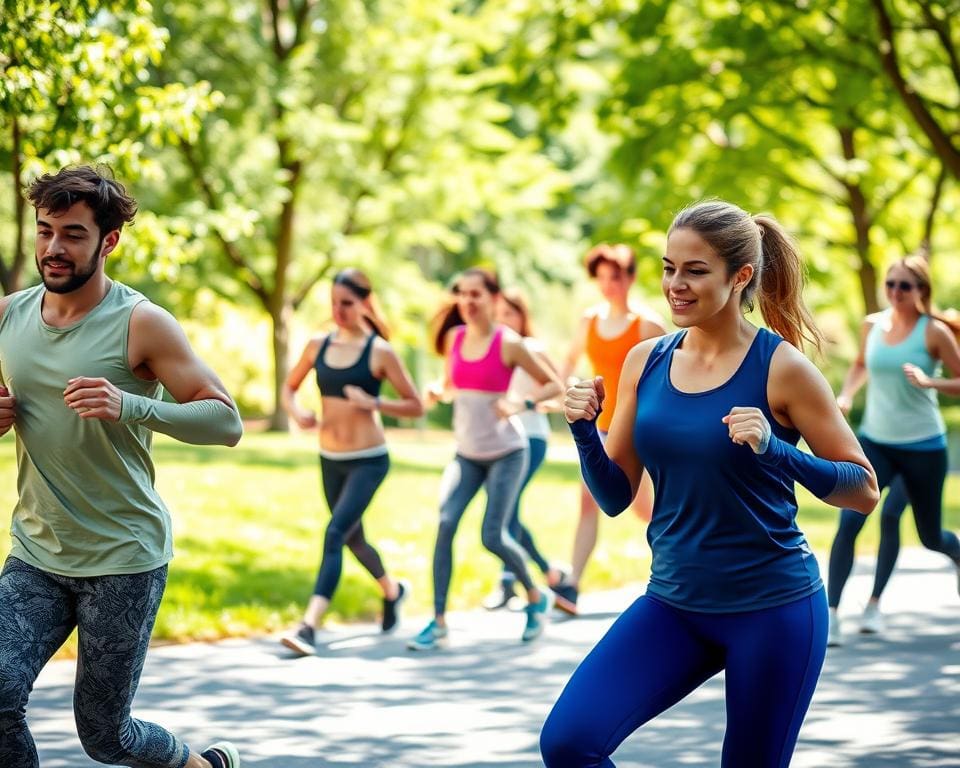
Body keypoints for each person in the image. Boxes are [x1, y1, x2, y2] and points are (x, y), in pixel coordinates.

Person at [539, 200, 879, 768]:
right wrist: (582, 432)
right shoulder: (645, 360)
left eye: (695, 271)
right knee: (570, 742)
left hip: (773, 611)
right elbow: (616, 497)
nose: (675, 284)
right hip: (674, 605)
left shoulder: (783, 367)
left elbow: (863, 490)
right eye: (669, 267)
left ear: (740, 276)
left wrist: (777, 452)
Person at [0, 166, 244, 768]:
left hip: (123, 558)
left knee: (106, 737)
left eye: (74, 234)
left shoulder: (142, 323)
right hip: (37, 549)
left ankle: (202, 765)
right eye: (45, 230)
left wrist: (130, 404)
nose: (54, 248)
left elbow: (227, 422)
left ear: (108, 242)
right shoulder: (8, 315)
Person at [407, 268, 562, 650]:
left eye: (477, 294)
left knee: (493, 535)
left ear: (493, 298)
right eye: (463, 294)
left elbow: (554, 385)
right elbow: (451, 385)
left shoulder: (508, 343)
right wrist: (435, 391)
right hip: (467, 453)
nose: (469, 301)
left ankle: (534, 594)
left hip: (508, 452)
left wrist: (519, 403)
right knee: (445, 522)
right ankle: (438, 621)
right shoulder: (455, 338)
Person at [279, 269, 424, 655]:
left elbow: (416, 405)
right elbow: (289, 388)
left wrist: (374, 402)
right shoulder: (317, 345)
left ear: (364, 303)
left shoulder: (380, 351)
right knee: (353, 537)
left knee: (334, 533)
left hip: (368, 460)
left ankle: (309, 625)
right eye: (334, 303)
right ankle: (393, 591)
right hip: (330, 458)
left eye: (347, 303)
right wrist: (297, 412)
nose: (339, 311)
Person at [828, 256, 960, 644]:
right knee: (850, 520)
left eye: (905, 286)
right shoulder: (872, 324)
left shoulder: (934, 332)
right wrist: (847, 393)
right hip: (876, 441)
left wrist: (929, 383)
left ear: (921, 290)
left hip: (922, 446)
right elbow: (857, 364)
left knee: (928, 535)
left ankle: (953, 554)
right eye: (891, 284)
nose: (895, 292)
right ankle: (833, 614)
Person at [554, 243, 666, 614]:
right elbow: (568, 362)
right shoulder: (589, 320)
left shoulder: (647, 324)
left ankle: (679, 573)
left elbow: (667, 378)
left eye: (615, 277)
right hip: (598, 427)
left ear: (630, 278)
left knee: (644, 508)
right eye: (601, 278)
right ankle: (571, 584)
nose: (607, 285)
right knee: (589, 501)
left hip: (636, 431)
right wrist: (570, 387)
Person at [482, 288, 567, 610]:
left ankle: (511, 582)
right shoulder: (498, 350)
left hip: (530, 438)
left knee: (505, 509)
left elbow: (560, 393)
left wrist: (526, 403)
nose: (503, 320)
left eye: (509, 313)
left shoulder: (530, 347)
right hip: (505, 439)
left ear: (522, 315)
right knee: (506, 510)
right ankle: (547, 572)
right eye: (498, 314)